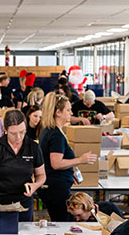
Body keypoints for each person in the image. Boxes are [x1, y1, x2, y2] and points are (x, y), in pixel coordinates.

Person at [37, 93, 96, 222]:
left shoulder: (49, 130)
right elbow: (56, 163)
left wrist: (71, 169)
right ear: (58, 112)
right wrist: (81, 160)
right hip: (56, 187)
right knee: (63, 222)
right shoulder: (55, 134)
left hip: (54, 184)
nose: (71, 113)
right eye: (68, 110)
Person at [0, 110, 45, 222]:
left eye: (22, 132)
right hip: (0, 203)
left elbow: (41, 174)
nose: (18, 137)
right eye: (13, 134)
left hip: (24, 204)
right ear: (5, 130)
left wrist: (35, 185)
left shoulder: (33, 147)